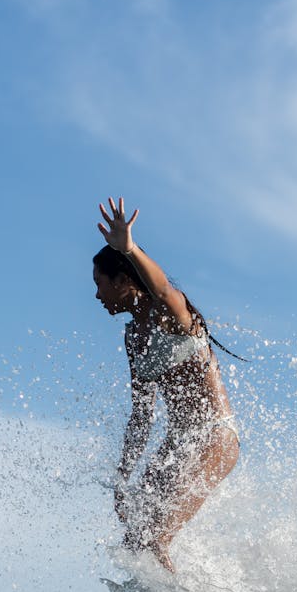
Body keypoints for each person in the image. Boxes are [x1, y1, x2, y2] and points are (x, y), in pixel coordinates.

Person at [94, 196, 239, 572]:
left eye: (100, 284)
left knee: (157, 537)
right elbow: (141, 415)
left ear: (123, 280)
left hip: (213, 437)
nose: (97, 295)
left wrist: (130, 248)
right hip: (178, 443)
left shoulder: (171, 312)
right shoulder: (132, 337)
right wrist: (122, 478)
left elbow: (160, 290)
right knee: (134, 538)